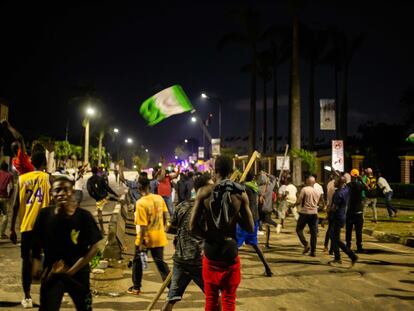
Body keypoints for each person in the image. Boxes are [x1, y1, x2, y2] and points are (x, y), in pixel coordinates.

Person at [190, 155, 254, 311]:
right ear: (231, 171)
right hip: (230, 252)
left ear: (215, 170)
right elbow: (250, 228)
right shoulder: (240, 193)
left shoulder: (203, 192)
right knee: (229, 300)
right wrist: (236, 215)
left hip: (211, 251)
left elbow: (192, 227)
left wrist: (208, 236)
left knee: (211, 300)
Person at [31, 174, 102, 311]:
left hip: (79, 275)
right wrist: (36, 265)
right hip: (52, 275)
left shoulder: (84, 217)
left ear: (73, 193)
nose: (62, 193)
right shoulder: (44, 216)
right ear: (52, 194)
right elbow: (36, 244)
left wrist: (71, 271)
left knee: (85, 308)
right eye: (57, 190)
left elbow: (94, 249)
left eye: (66, 189)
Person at [161, 174, 211, 311]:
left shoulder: (182, 205)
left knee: (170, 299)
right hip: (199, 261)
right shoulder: (208, 209)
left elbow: (169, 228)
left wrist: (181, 234)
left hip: (181, 260)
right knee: (215, 296)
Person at [10, 152, 52, 308]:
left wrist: (13, 229)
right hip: (44, 227)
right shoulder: (47, 178)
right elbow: (54, 200)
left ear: (32, 162)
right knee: (46, 260)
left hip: (27, 227)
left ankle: (27, 297)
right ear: (44, 162)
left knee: (25, 263)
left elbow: (15, 205)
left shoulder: (22, 179)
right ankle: (46, 296)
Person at [128, 176, 170, 295]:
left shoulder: (140, 203)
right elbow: (166, 215)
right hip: (159, 237)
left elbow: (142, 226)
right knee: (160, 263)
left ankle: (136, 287)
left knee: (137, 262)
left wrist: (141, 243)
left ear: (139, 187)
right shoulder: (159, 198)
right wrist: (166, 226)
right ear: (149, 186)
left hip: (146, 239)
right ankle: (172, 286)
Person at [237, 171, 273, 277]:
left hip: (245, 220)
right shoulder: (254, 188)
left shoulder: (245, 188)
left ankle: (231, 273)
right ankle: (268, 268)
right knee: (255, 244)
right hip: (255, 219)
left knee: (233, 246)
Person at [330, 175, 358, 266]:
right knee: (334, 237)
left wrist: (327, 216)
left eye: (335, 181)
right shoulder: (346, 190)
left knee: (336, 239)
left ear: (339, 183)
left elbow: (334, 208)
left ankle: (352, 256)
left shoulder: (338, 194)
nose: (334, 182)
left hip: (337, 217)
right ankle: (337, 258)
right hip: (342, 216)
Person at [86, 166, 119, 234]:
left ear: (91, 171)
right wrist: (114, 193)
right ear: (97, 171)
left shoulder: (90, 180)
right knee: (110, 198)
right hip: (105, 196)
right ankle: (116, 199)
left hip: (99, 199)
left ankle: (102, 229)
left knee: (99, 214)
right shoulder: (101, 178)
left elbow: (89, 191)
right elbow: (107, 187)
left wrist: (95, 197)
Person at [295, 175, 321, 257]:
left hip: (305, 213)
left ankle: (306, 244)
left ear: (307, 182)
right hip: (314, 214)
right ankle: (313, 251)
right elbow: (318, 202)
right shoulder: (318, 192)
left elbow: (299, 201)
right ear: (314, 182)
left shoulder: (304, 189)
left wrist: (293, 205)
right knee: (313, 233)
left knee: (299, 229)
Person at [346, 169, 368, 253]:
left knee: (349, 230)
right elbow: (367, 188)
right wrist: (362, 180)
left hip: (350, 211)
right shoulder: (360, 185)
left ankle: (348, 246)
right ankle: (359, 247)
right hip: (359, 211)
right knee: (359, 231)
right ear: (358, 176)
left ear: (351, 176)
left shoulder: (348, 185)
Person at [257, 171, 277, 248]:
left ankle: (254, 240)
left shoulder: (258, 188)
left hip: (260, 209)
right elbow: (274, 178)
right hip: (269, 208)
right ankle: (267, 242)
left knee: (256, 222)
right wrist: (268, 174)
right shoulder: (270, 186)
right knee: (267, 226)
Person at [0, 161, 14, 239]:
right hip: (4, 197)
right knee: (5, 215)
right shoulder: (9, 175)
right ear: (7, 167)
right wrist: (9, 196)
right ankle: (1, 233)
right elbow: (11, 187)